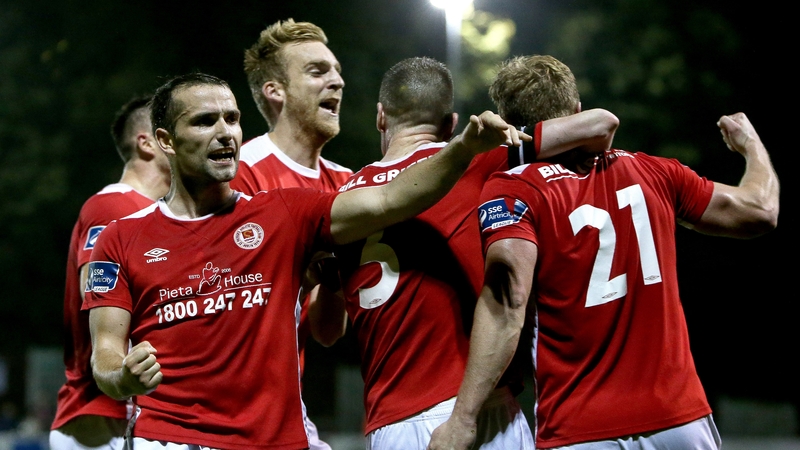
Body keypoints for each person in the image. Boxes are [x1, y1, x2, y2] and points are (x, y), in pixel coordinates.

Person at [83, 72, 528, 449]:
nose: (225, 132)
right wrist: (123, 378)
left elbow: (394, 198)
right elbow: (104, 356)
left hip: (277, 439)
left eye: (233, 119)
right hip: (170, 438)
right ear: (165, 140)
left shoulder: (284, 214)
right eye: (204, 121)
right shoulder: (121, 238)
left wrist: (464, 148)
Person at [428, 55, 780, 450]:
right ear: (575, 110)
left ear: (511, 122)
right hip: (679, 421)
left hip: (581, 426)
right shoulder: (654, 172)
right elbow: (760, 211)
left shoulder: (513, 186)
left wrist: (463, 419)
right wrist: (751, 147)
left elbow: (507, 303)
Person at [334, 56, 619, 449]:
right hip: (481, 406)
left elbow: (326, 326)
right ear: (451, 123)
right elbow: (599, 124)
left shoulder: (340, 199)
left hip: (395, 419)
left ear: (381, 117)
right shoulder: (475, 162)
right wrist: (509, 136)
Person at [237, 19, 351, 448]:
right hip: (229, 403)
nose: (337, 81)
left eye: (337, 70)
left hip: (285, 400)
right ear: (275, 91)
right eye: (318, 71)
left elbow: (326, 331)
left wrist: (334, 282)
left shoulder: (345, 185)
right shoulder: (240, 174)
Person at [50, 95, 170, 450]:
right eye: (169, 131)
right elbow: (98, 296)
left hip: (129, 417)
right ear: (146, 142)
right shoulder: (114, 207)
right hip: (104, 422)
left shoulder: (154, 214)